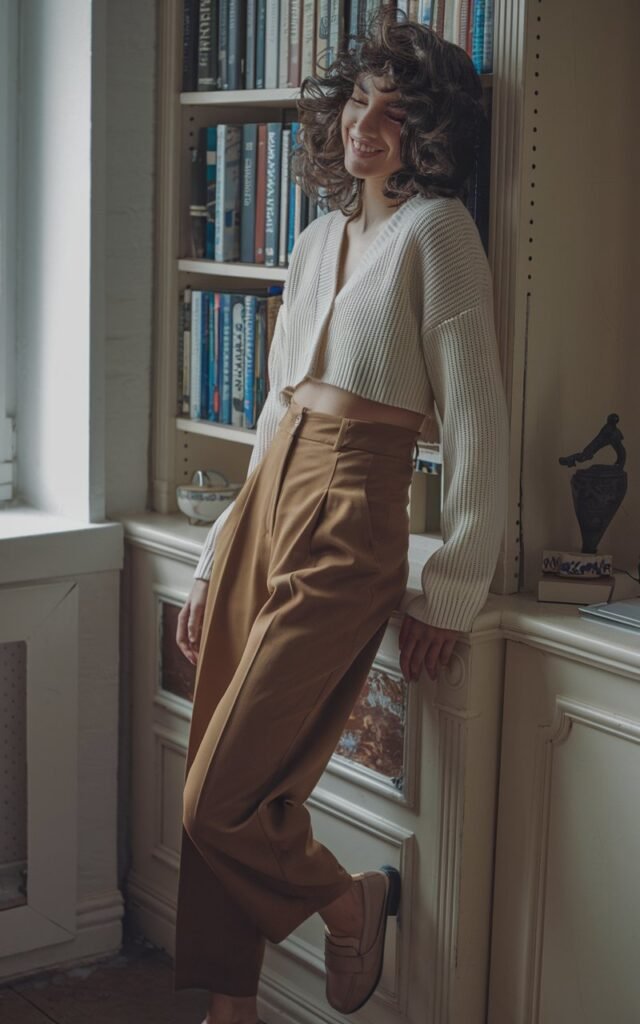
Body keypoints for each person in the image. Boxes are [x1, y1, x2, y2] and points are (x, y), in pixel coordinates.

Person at [174, 6, 509, 1023]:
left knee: (217, 792)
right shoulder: (317, 239)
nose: (368, 124)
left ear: (430, 133)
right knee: (217, 760)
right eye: (359, 101)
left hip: (353, 506)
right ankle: (230, 1007)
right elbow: (275, 414)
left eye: (396, 113)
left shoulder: (437, 231)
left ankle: (345, 900)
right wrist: (208, 562)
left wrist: (449, 590)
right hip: (274, 490)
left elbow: (480, 425)